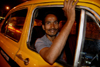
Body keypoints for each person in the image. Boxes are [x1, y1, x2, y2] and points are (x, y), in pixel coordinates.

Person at [35, 0, 79, 65]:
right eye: (48, 23)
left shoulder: (60, 35)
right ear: (43, 27)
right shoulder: (39, 42)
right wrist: (70, 20)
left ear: (59, 25)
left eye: (55, 22)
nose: (52, 26)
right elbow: (50, 58)